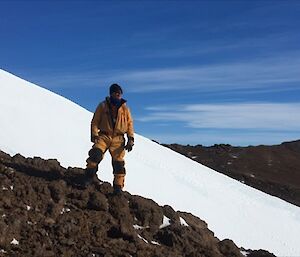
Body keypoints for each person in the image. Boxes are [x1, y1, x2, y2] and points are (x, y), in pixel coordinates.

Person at [84, 83, 134, 195]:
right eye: (117, 93)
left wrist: (131, 138)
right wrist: (94, 134)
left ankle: (118, 188)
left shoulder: (125, 109)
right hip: (104, 136)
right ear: (111, 94)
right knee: (95, 155)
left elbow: (130, 124)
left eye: (120, 93)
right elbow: (95, 121)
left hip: (118, 139)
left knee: (119, 165)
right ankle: (88, 177)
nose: (119, 95)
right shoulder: (102, 106)